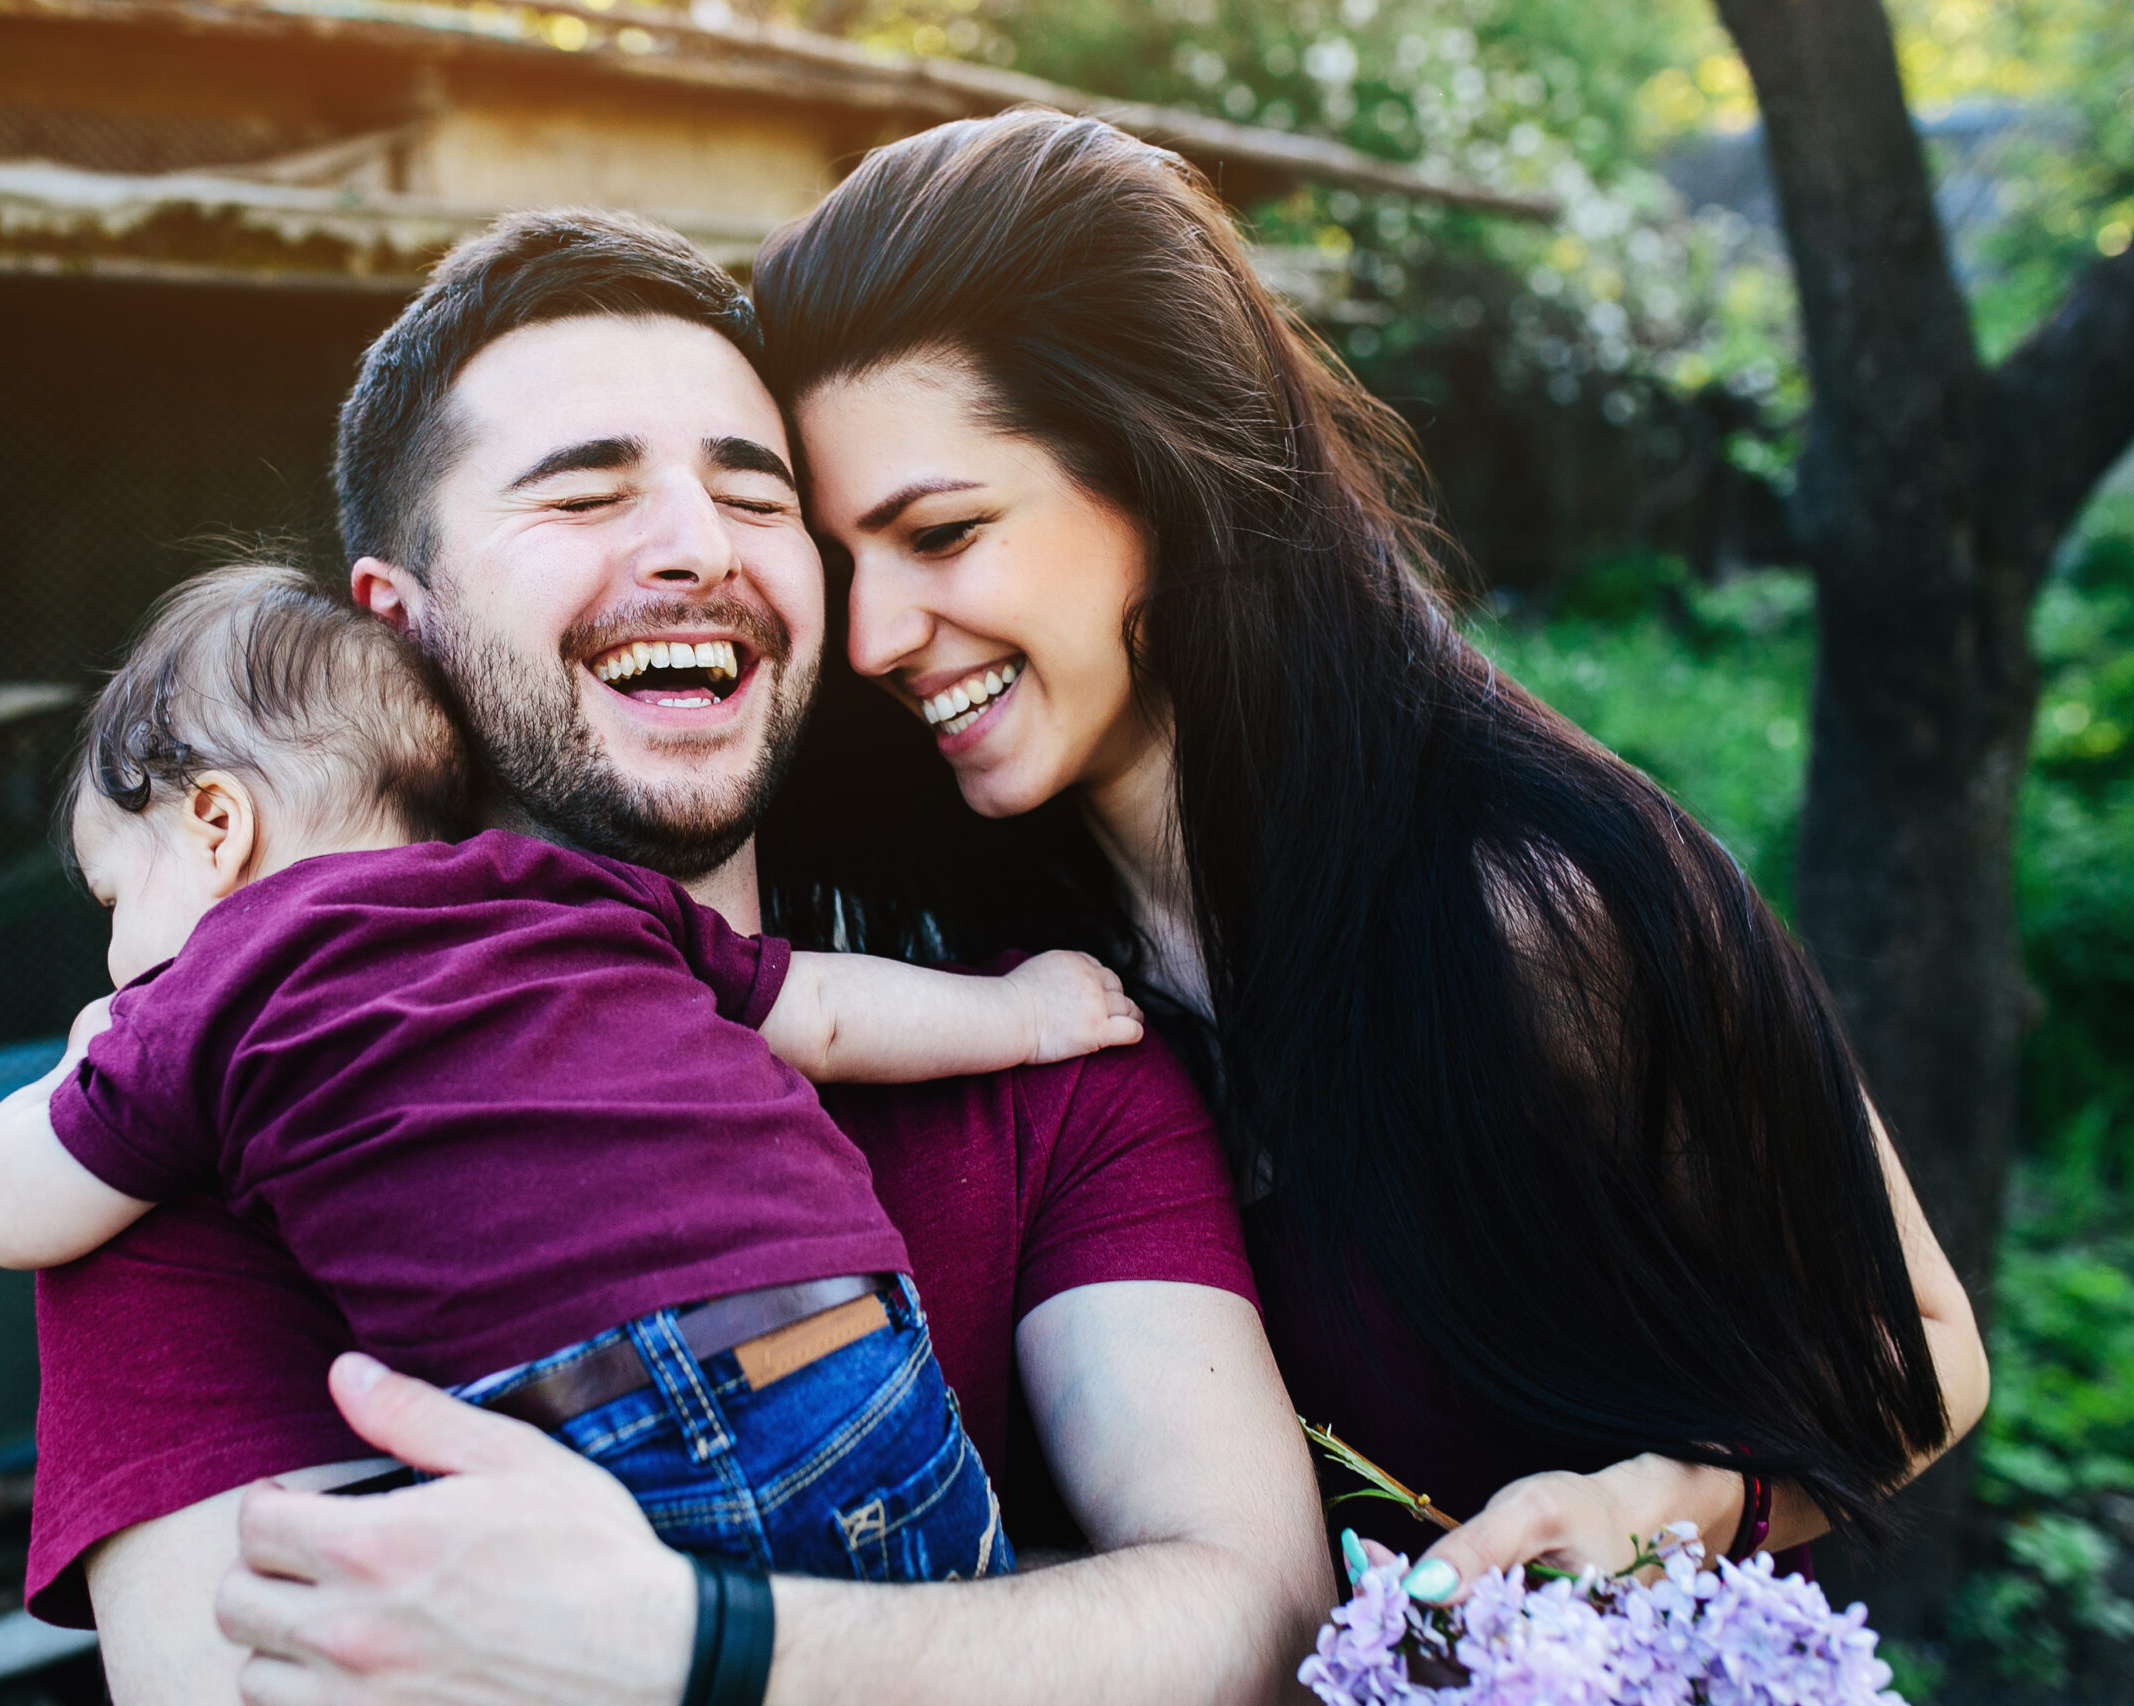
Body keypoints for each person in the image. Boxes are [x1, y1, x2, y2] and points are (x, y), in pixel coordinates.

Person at [25, 209, 1336, 1704]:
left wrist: (684, 1642)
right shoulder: (219, 1134)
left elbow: (1261, 1623)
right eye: (586, 495)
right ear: (404, 619)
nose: (697, 548)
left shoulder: (1048, 1058)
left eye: (752, 495)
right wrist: (1035, 1626)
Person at [742, 108, 1990, 1600]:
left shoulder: (1535, 903)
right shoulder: (932, 927)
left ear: (1159, 470)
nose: (873, 635)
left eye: (941, 532)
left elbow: (1915, 1345)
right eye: (839, 562)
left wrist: (1658, 1507)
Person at [0, 560, 1151, 1582]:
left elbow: (7, 1212)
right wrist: (1023, 1011)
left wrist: (86, 1055)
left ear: (217, 826)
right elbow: (824, 1009)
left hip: (601, 1417)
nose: (115, 952)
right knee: (947, 1609)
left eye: (116, 895)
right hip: (854, 1348)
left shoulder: (205, 992)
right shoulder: (565, 891)